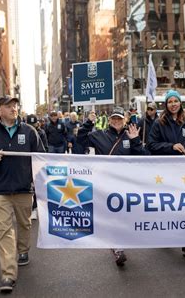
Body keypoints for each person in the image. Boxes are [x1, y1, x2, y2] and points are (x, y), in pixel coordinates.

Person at [0, 96, 45, 292]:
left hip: (24, 189)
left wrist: (39, 182)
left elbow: (41, 157)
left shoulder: (29, 131)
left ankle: (23, 250)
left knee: (24, 224)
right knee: (4, 231)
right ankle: (8, 274)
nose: (14, 108)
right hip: (0, 191)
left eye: (15, 105)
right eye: (8, 106)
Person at [77, 106, 145, 266]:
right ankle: (117, 247)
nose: (116, 121)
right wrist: (88, 122)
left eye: (119, 119)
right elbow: (80, 139)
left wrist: (135, 140)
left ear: (125, 120)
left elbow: (143, 158)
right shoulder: (99, 135)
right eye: (114, 118)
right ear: (109, 120)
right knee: (113, 213)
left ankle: (118, 241)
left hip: (126, 181)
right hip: (106, 182)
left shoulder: (131, 135)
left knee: (124, 214)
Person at [147, 89, 185, 259]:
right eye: (170, 102)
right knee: (169, 207)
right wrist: (170, 147)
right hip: (166, 171)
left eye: (175, 101)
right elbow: (151, 145)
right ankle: (166, 234)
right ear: (166, 104)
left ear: (180, 103)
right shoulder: (159, 123)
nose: (173, 104)